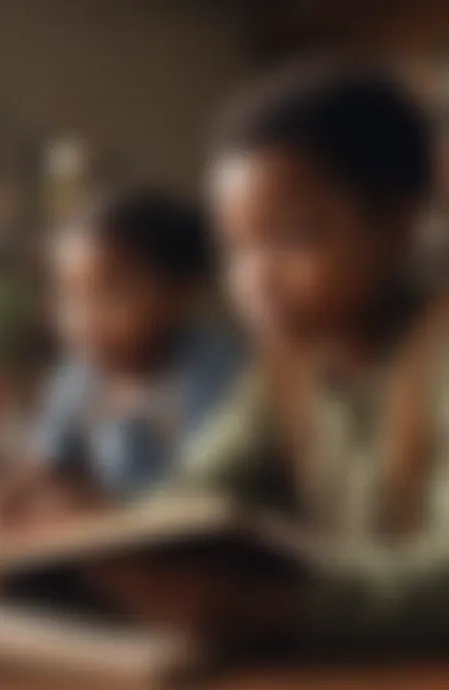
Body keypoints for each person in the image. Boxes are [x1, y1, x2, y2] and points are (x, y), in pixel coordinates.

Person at [170, 61, 449, 649]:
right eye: (237, 250)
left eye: (292, 238)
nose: (256, 280)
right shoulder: (285, 364)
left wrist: (271, 609)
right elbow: (197, 493)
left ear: (398, 222)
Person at [25, 188, 242, 510]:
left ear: (179, 293)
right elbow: (48, 463)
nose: (85, 317)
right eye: (70, 296)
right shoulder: (80, 376)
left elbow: (207, 492)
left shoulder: (211, 374)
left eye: (110, 292)